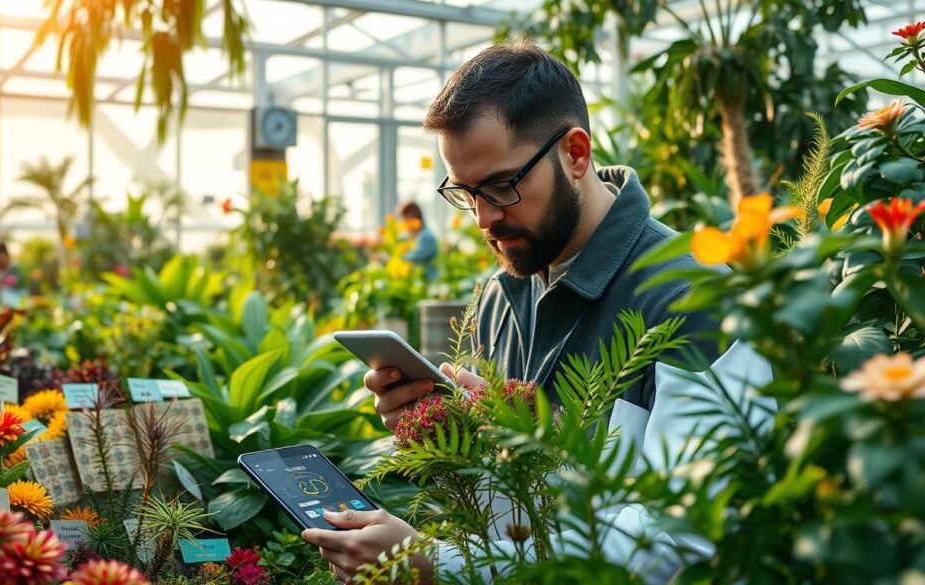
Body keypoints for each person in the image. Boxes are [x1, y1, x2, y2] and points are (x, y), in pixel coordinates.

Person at [306, 41, 773, 583]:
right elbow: (513, 508)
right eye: (465, 192)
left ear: (576, 153)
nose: (483, 218)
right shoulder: (500, 297)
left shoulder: (695, 300)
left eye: (502, 186)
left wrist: (441, 566)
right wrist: (453, 432)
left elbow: (685, 541)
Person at [396, 201, 439, 279]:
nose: (403, 223)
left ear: (412, 217)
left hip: (428, 282)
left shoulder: (426, 236)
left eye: (405, 219)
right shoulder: (416, 235)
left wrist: (392, 258)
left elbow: (414, 257)